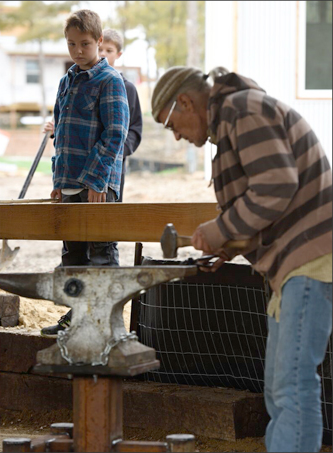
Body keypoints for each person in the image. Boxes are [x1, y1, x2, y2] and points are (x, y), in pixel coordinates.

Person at [151, 66, 332, 452]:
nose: (178, 136)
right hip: (293, 266)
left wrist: (221, 228)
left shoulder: (241, 109)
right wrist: (228, 245)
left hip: (311, 259)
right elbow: (268, 205)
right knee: (280, 386)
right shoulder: (234, 121)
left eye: (172, 125)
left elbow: (277, 185)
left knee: (292, 383)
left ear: (185, 102)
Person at [40, 10, 129, 337]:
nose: (78, 50)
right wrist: (59, 182)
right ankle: (76, 318)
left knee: (100, 254)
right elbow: (62, 133)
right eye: (71, 44)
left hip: (98, 186)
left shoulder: (110, 81)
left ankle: (105, 322)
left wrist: (96, 180)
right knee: (73, 255)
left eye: (86, 44)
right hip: (70, 185)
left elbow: (115, 133)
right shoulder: (66, 81)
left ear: (100, 42)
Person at [99, 28, 142, 201]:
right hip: (82, 167)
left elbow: (135, 128)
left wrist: (118, 151)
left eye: (109, 51)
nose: (103, 54)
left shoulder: (128, 88)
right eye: (100, 49)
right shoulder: (83, 85)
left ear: (118, 54)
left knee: (109, 216)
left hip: (114, 169)